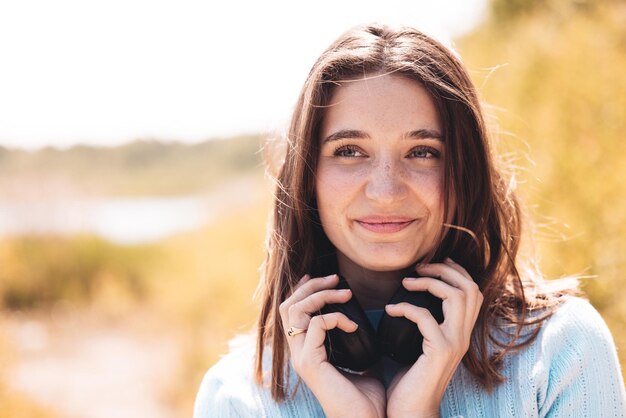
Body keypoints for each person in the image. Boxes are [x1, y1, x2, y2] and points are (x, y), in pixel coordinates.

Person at [194, 23, 626, 417]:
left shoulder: (562, 350)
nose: (385, 190)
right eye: (349, 151)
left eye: (422, 152)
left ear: (464, 172)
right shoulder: (236, 397)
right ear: (307, 178)